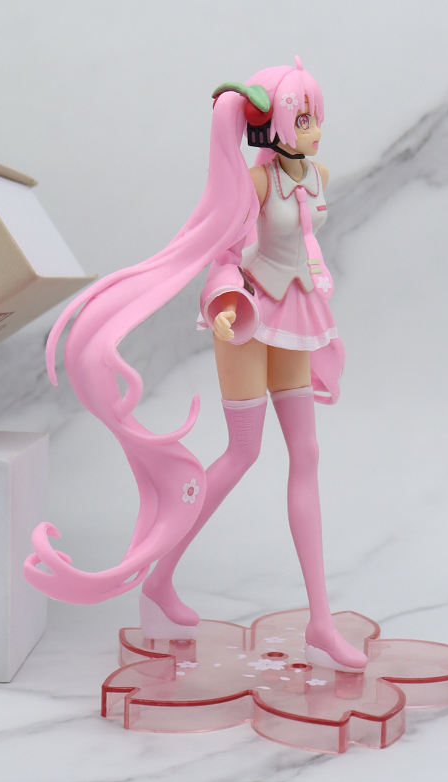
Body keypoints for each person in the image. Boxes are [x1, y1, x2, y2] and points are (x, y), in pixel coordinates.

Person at [25, 58, 367, 671]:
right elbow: (224, 254)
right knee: (243, 452)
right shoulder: (255, 184)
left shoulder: (315, 176)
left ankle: (320, 622)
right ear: (273, 123)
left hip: (294, 315)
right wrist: (226, 303)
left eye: (316, 117)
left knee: (307, 453)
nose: (315, 130)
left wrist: (312, 274)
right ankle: (157, 576)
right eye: (303, 118)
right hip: (247, 316)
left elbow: (303, 240)